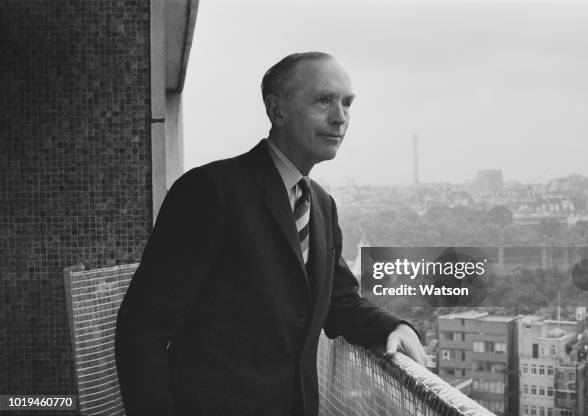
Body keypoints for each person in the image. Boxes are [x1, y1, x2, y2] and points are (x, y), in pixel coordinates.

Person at [115, 52, 426, 416]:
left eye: (346, 103)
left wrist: (395, 326)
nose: (340, 117)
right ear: (277, 110)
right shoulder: (209, 191)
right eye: (324, 100)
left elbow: (339, 302)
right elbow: (143, 330)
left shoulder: (322, 205)